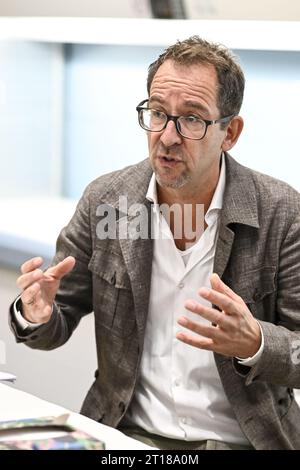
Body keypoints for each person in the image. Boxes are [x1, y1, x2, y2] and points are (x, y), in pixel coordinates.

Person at [9, 36, 300, 450]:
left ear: (230, 132)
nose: (167, 136)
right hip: (127, 436)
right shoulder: (108, 202)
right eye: (158, 113)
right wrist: (35, 314)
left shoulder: (282, 213)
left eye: (192, 119)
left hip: (242, 441)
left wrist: (255, 343)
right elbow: (55, 322)